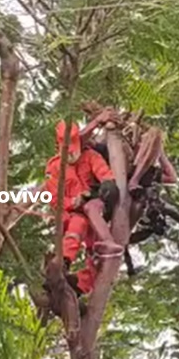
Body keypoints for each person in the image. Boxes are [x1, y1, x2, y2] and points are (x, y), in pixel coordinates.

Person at [43, 120, 122, 298]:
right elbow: (55, 199)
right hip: (72, 215)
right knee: (76, 226)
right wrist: (74, 201)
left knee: (98, 258)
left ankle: (78, 285)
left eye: (72, 150)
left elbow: (104, 173)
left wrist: (108, 184)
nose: (70, 155)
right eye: (66, 151)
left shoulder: (91, 156)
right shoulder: (54, 167)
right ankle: (62, 263)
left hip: (95, 216)